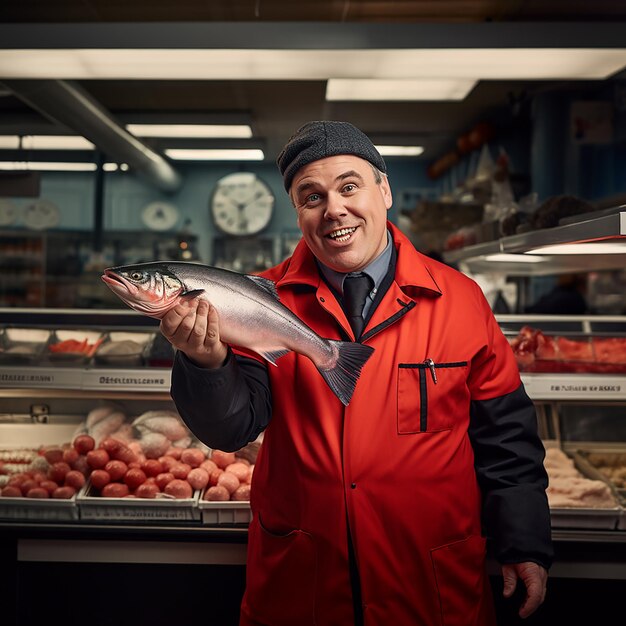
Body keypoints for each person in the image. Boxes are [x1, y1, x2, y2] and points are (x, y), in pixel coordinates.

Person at [161, 121, 553, 626]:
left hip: (431, 586)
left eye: (350, 186)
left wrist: (523, 541)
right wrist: (205, 361)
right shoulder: (256, 303)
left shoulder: (460, 301)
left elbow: (508, 439)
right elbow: (230, 427)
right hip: (303, 587)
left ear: (384, 190)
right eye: (312, 197)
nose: (335, 210)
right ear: (298, 212)